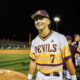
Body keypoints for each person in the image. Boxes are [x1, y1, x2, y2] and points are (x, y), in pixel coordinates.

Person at [27, 10, 77, 80]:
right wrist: (29, 77)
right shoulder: (34, 41)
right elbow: (33, 61)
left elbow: (68, 60)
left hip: (55, 76)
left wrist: (73, 77)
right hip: (39, 76)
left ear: (48, 21)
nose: (38, 21)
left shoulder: (60, 37)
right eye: (36, 19)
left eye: (41, 18)